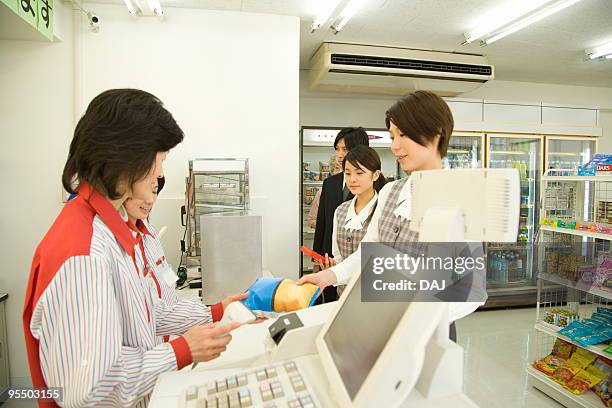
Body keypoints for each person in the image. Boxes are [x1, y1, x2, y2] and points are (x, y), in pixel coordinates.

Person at [23, 89, 242, 408]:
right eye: (160, 160)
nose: (161, 175)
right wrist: (181, 351)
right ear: (126, 159)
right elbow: (90, 389)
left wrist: (216, 312)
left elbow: (149, 310)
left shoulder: (111, 227)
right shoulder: (84, 255)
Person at [298, 91, 487, 341]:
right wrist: (331, 276)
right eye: (392, 136)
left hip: (429, 334)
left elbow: (471, 291)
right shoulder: (390, 191)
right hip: (380, 325)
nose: (394, 145)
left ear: (435, 134)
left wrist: (417, 312)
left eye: (403, 135)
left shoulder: (462, 199)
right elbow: (369, 252)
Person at [124, 176, 248, 344]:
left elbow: (161, 300)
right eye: (147, 190)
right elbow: (148, 315)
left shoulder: (149, 232)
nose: (150, 200)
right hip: (152, 343)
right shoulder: (114, 246)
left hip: (167, 330)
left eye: (155, 192)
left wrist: (215, 311)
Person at [311, 127, 370, 303]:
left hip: (357, 260)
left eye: (345, 149)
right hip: (328, 260)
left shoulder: (375, 186)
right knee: (328, 303)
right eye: (337, 149)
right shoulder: (329, 184)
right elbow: (322, 223)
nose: (340, 154)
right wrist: (316, 259)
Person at [320, 146, 387, 296]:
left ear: (375, 175)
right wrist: (331, 268)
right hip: (344, 293)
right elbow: (337, 255)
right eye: (348, 173)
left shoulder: (384, 210)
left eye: (359, 173)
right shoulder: (341, 210)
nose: (352, 179)